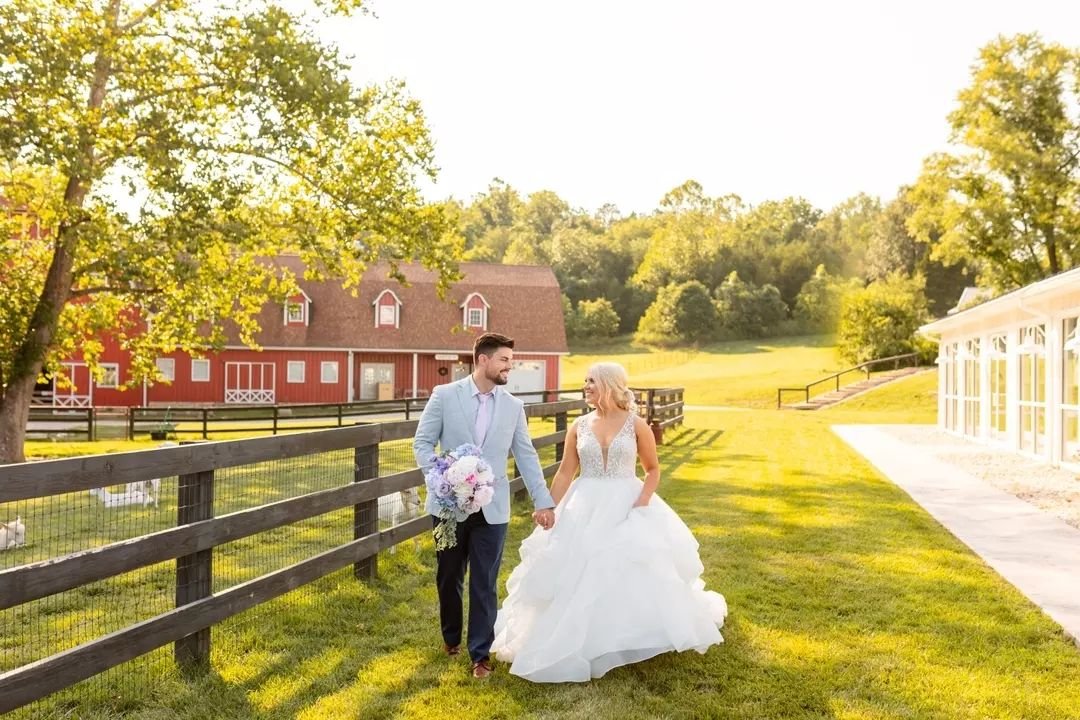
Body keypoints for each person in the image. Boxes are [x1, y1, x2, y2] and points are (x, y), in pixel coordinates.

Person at [491, 362, 727, 682]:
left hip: (627, 501)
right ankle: (580, 637)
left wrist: (642, 502)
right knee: (577, 565)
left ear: (610, 385)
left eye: (591, 381)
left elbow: (653, 469)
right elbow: (565, 472)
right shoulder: (580, 425)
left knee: (627, 565)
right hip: (584, 502)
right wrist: (547, 505)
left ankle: (630, 633)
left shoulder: (636, 425)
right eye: (585, 381)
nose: (585, 386)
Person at [413, 332, 556, 679]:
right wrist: (444, 477)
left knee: (484, 581)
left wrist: (544, 501)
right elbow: (422, 442)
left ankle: (480, 654)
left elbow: (526, 455)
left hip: (493, 511)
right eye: (505, 359)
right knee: (449, 576)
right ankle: (451, 637)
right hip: (448, 507)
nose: (511, 366)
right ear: (483, 360)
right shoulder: (445, 395)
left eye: (511, 360)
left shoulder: (513, 406)